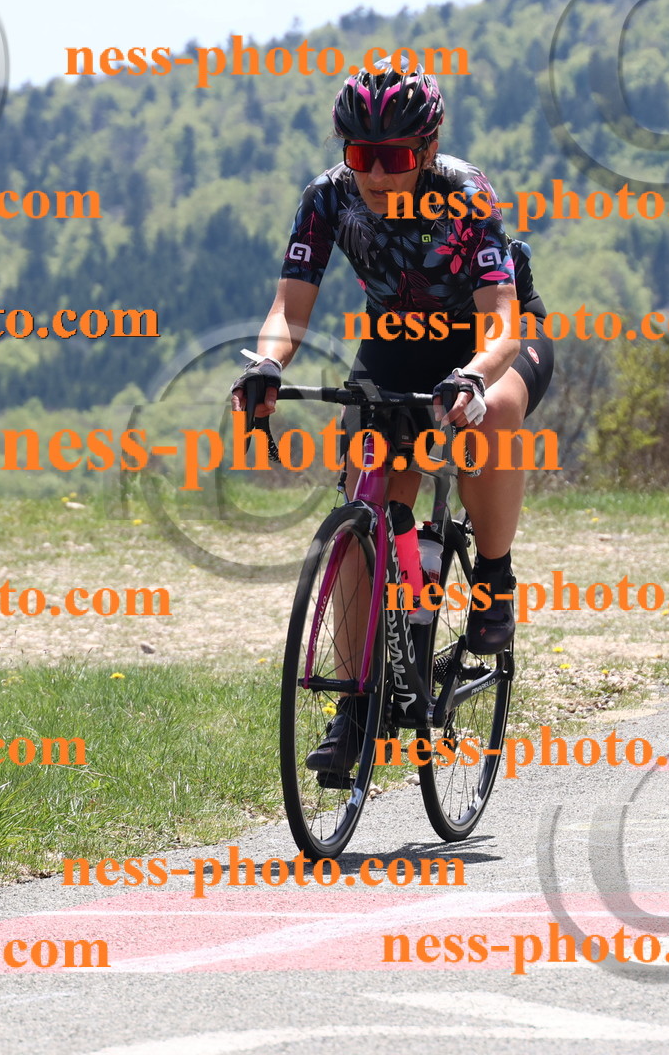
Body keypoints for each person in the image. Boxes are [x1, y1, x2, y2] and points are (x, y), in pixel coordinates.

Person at [230, 60, 555, 771]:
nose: (376, 173)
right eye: (360, 154)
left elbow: (501, 323)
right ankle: (356, 703)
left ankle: (493, 578)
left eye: (396, 157)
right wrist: (268, 364)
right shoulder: (327, 198)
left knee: (493, 415)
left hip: (492, 338)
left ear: (428, 149)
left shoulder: (465, 194)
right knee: (366, 504)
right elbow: (290, 307)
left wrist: (472, 376)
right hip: (399, 341)